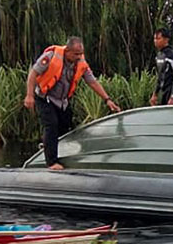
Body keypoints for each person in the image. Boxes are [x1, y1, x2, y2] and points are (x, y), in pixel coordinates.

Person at [23, 36, 121, 170]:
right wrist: (29, 96)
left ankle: (49, 145)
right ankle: (51, 162)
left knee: (67, 126)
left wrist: (107, 99)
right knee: (51, 124)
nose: (79, 57)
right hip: (44, 97)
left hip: (62, 101)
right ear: (67, 50)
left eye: (81, 54)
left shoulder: (81, 63)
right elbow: (33, 74)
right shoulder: (51, 56)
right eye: (76, 54)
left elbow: (92, 81)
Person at [149, 28, 173, 106]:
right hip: (163, 92)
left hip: (172, 93)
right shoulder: (158, 56)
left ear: (166, 39)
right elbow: (160, 77)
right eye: (154, 39)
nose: (155, 41)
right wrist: (155, 94)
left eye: (158, 38)